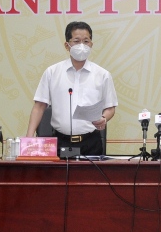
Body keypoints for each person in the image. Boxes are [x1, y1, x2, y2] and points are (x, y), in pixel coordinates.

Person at [25, 21, 118, 155]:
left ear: (91, 44)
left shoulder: (103, 75)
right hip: (60, 141)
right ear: (67, 45)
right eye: (77, 41)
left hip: (90, 142)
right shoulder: (52, 72)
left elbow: (110, 107)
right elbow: (39, 106)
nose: (82, 45)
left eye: (86, 41)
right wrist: (29, 137)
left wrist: (104, 118)